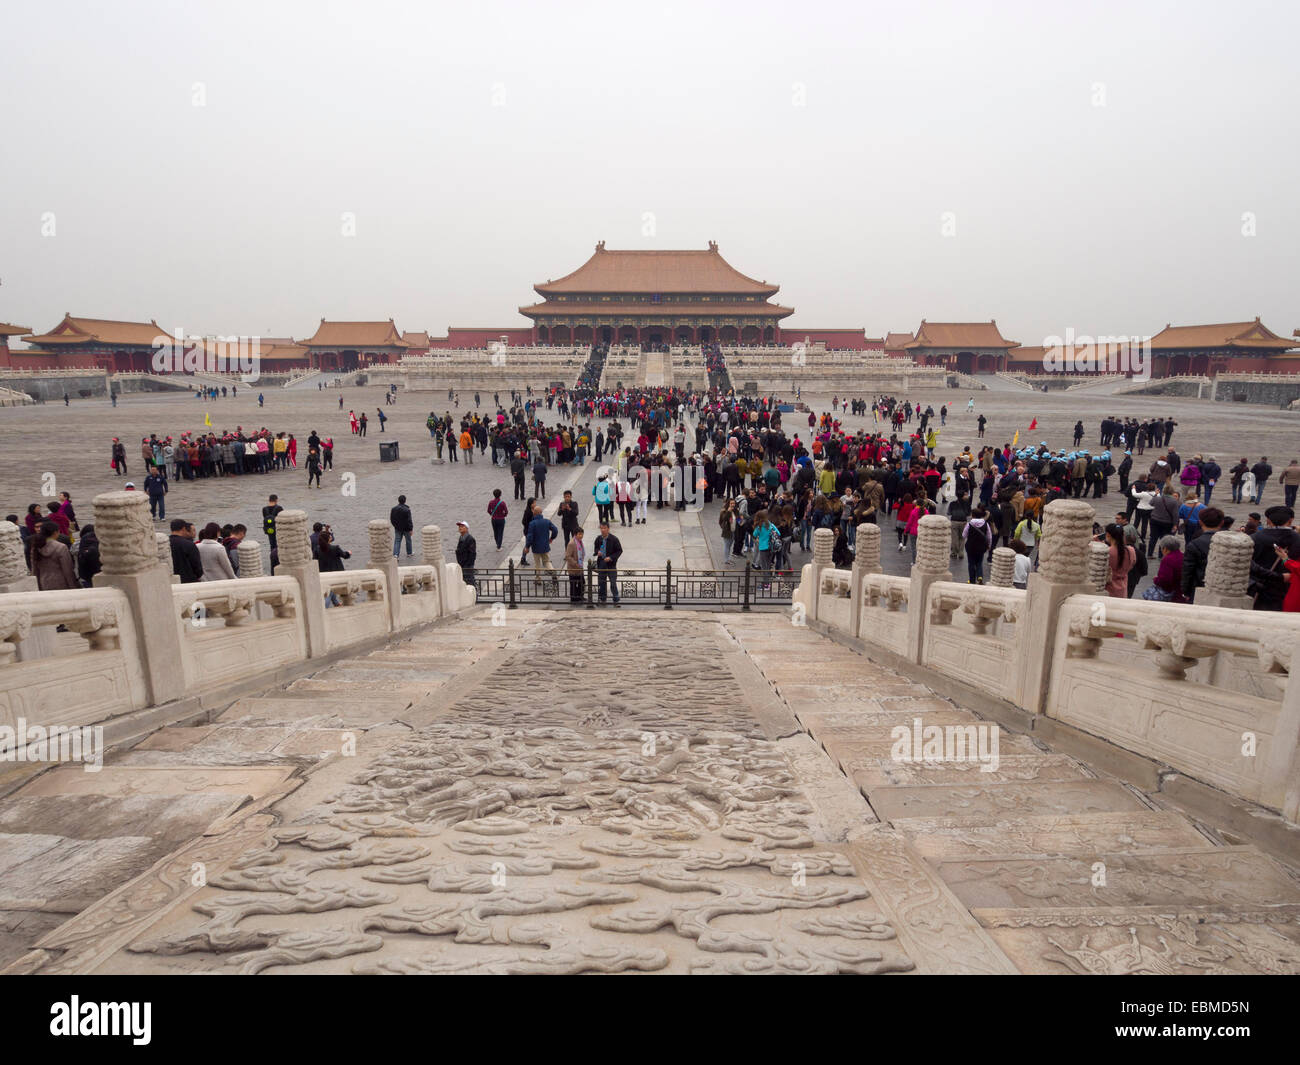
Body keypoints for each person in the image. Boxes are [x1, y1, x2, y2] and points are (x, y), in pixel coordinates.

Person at [1250, 506, 1300, 611]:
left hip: (1259, 586)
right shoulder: (1297, 539)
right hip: (1288, 588)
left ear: (1268, 520)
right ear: (1290, 520)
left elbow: (1249, 564)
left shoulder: (1255, 538)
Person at [1180, 506, 1223, 603]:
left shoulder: (1194, 544)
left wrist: (1185, 591)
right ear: (1222, 523)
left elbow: (1187, 570)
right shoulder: (1229, 542)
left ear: (1200, 522)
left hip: (1199, 587)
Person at [32, 521, 78, 590]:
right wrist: (73, 586)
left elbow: (35, 570)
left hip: (44, 582)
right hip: (61, 582)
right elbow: (67, 569)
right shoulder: (61, 547)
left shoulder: (36, 546)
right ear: (55, 532)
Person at [1143, 536, 1186, 601]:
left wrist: (1155, 579)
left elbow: (1164, 580)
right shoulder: (1183, 556)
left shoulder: (1167, 559)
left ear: (1165, 548)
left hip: (1171, 594)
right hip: (1181, 591)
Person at [525, 503, 559, 581]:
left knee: (537, 563)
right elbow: (555, 530)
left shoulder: (532, 524)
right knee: (546, 561)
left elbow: (530, 537)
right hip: (545, 546)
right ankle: (552, 571)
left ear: (534, 513)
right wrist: (551, 538)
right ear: (541, 513)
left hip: (536, 547)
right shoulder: (547, 521)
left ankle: (538, 578)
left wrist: (527, 547)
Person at [593, 520, 622, 605]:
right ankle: (602, 599)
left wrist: (611, 558)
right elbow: (596, 548)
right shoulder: (598, 539)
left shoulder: (614, 539)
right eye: (601, 528)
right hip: (601, 563)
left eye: (604, 528)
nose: (602, 530)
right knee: (601, 582)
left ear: (608, 529)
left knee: (613, 582)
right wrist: (597, 552)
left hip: (611, 564)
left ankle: (616, 599)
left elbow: (619, 551)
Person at [1103, 523, 1134, 598]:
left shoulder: (1107, 552)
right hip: (1123, 586)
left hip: (1109, 588)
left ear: (1107, 534)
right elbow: (1132, 565)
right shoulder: (1131, 550)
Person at [169, 519, 204, 584]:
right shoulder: (188, 544)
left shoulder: (166, 543)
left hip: (171, 581)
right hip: (189, 580)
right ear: (183, 528)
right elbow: (197, 566)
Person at [564, 525, 586, 603]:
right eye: (579, 534)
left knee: (581, 582)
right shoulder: (571, 543)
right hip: (573, 568)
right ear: (575, 534)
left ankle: (580, 596)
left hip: (579, 568)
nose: (581, 536)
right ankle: (574, 598)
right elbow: (568, 556)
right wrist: (576, 564)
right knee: (573, 583)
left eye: (582, 534)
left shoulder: (579, 542)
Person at [455, 521, 476, 585]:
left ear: (466, 528)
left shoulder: (470, 539)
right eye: (459, 527)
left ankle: (475, 593)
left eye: (462, 526)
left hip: (467, 566)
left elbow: (472, 554)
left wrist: (468, 565)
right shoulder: (461, 537)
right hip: (462, 564)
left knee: (469, 582)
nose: (460, 528)